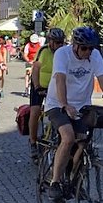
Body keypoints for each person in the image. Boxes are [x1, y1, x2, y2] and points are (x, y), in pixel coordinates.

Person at [43, 26, 103, 200]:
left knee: (83, 140)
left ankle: (73, 180)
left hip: (82, 106)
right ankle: (54, 181)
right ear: (75, 46)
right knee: (68, 137)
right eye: (84, 48)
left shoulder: (95, 56)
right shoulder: (62, 54)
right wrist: (64, 104)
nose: (88, 52)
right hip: (57, 103)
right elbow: (60, 79)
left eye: (91, 48)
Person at [29, 27, 65, 160]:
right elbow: (36, 68)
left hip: (55, 87)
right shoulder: (44, 51)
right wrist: (37, 86)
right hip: (40, 85)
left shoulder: (64, 52)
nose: (59, 45)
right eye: (57, 42)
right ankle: (32, 141)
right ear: (50, 42)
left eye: (61, 42)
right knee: (35, 111)